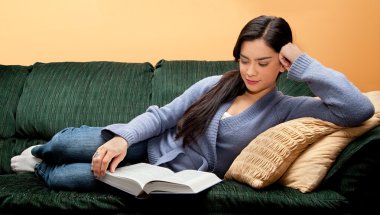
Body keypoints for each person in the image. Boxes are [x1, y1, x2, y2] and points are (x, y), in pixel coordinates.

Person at [11, 15, 374, 191]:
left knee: (69, 178)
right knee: (66, 144)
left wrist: (304, 61)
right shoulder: (215, 84)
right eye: (244, 60)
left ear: (282, 64)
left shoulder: (289, 109)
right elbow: (163, 116)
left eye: (263, 63)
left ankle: (39, 168)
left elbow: (358, 109)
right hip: (146, 144)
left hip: (167, 177)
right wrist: (124, 139)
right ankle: (40, 151)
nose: (250, 71)